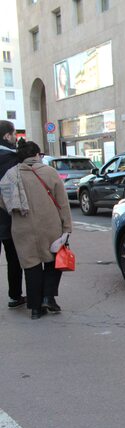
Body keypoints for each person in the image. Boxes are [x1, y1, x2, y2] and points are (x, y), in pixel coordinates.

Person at [0, 141, 72, 319]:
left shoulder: (11, 175)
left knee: (31, 265)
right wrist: (67, 227)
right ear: (37, 155)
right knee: (53, 261)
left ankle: (35, 309)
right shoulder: (49, 172)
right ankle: (48, 296)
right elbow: (63, 203)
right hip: (49, 224)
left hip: (21, 227)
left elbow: (2, 201)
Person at [0, 121, 24, 309]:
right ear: (6, 136)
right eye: (14, 134)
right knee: (13, 258)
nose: (15, 137)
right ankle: (15, 296)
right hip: (7, 218)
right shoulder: (11, 159)